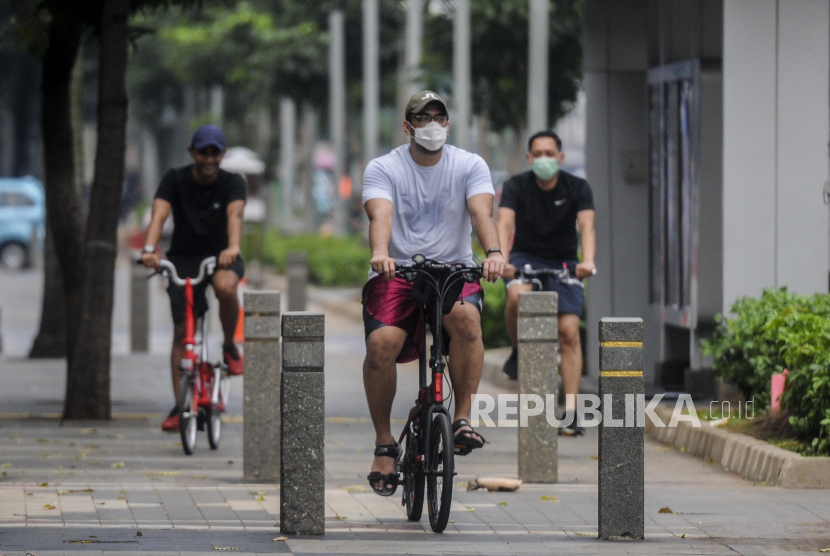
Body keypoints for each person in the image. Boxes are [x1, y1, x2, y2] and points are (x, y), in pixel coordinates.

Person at [361, 91, 506, 496]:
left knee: (467, 322)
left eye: (438, 117)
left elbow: (481, 213)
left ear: (448, 124)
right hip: (399, 270)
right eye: (422, 118)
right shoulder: (383, 167)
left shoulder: (469, 164)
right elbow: (380, 215)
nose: (431, 125)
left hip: (454, 269)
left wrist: (493, 252)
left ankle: (461, 420)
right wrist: (380, 253)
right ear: (407, 126)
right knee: (380, 345)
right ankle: (385, 443)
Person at [141, 125, 247, 432]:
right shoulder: (175, 179)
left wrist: (233, 246)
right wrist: (149, 249)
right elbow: (158, 215)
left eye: (215, 152)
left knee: (226, 286)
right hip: (183, 259)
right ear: (192, 152)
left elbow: (235, 216)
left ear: (222, 154)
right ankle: (181, 405)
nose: (209, 158)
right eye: (204, 152)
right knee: (181, 329)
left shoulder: (232, 182)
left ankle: (229, 346)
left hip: (222, 255)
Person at [497, 130, 596, 436]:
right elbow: (504, 223)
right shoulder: (516, 186)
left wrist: (587, 261)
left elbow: (587, 226)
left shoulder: (577, 187)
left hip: (564, 262)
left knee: (568, 333)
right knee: (517, 298)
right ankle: (517, 350)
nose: (543, 160)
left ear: (560, 157)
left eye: (549, 154)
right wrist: (501, 259)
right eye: (537, 154)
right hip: (525, 257)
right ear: (529, 158)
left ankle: (570, 411)